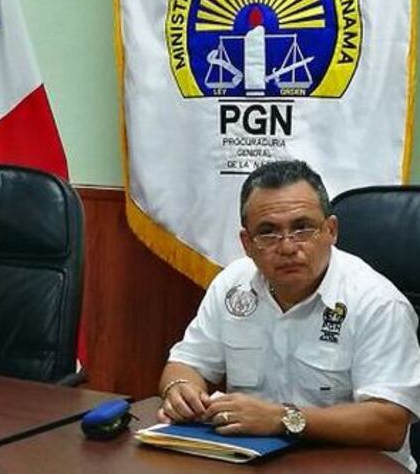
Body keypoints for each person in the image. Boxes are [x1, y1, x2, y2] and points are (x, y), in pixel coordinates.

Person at [157, 159, 420, 471]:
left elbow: (389, 423)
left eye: (302, 228)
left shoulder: (378, 303)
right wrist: (180, 390)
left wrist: (283, 418)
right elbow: (185, 363)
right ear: (247, 243)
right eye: (267, 233)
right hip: (254, 462)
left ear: (331, 230)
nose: (287, 247)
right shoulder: (232, 285)